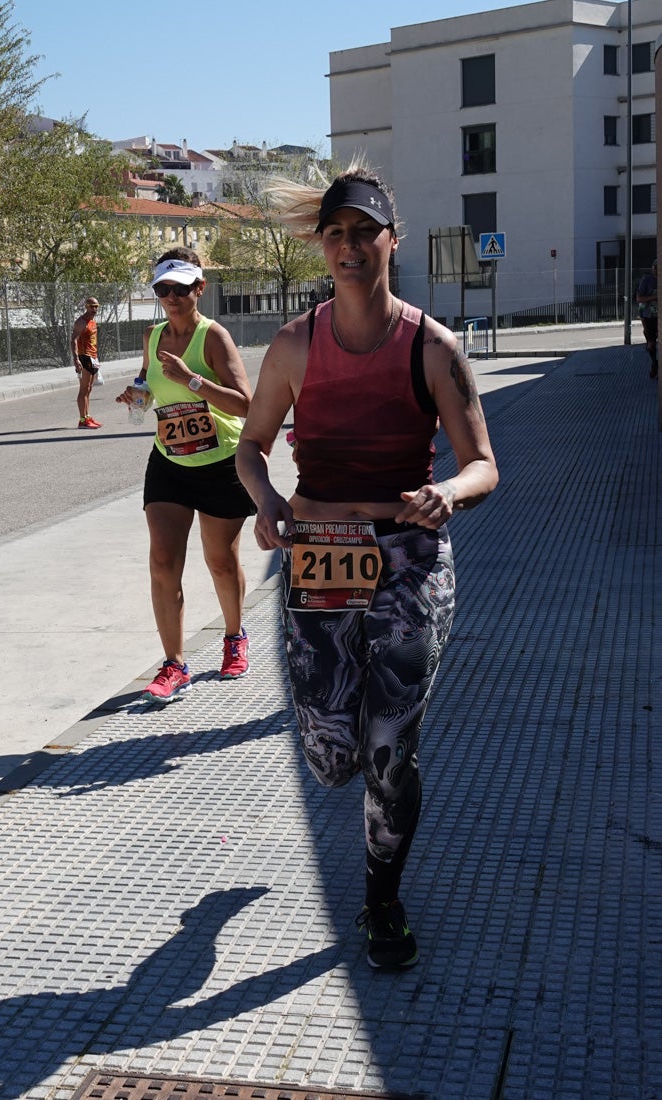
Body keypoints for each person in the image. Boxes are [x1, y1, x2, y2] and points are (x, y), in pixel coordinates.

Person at [236, 165, 499, 970]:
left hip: (410, 560)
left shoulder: (431, 346)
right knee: (330, 758)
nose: (350, 246)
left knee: (390, 747)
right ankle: (343, 766)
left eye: (364, 232)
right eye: (336, 234)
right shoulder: (292, 345)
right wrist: (266, 502)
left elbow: (483, 463)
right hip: (318, 556)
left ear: (393, 239)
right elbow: (250, 446)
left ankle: (381, 900)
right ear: (322, 247)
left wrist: (446, 494)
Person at [116, 247, 255, 702]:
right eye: (163, 289)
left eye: (181, 288)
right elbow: (147, 382)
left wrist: (192, 379)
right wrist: (136, 396)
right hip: (170, 460)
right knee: (162, 562)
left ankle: (234, 636)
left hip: (220, 461)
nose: (172, 297)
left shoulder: (213, 337)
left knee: (219, 559)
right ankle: (174, 665)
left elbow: (245, 405)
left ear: (200, 288)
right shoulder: (152, 336)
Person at [71, 297, 103, 428]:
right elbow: (73, 341)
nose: (94, 309)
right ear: (86, 306)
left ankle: (87, 416)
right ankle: (82, 419)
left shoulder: (92, 322)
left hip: (93, 357)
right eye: (91, 306)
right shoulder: (81, 322)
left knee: (89, 389)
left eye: (96, 306)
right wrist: (76, 359)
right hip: (84, 357)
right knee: (83, 389)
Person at [636, 259, 658, 379]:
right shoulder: (647, 280)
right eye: (655, 267)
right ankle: (654, 363)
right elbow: (639, 299)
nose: (656, 270)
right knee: (651, 344)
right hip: (649, 316)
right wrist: (654, 297)